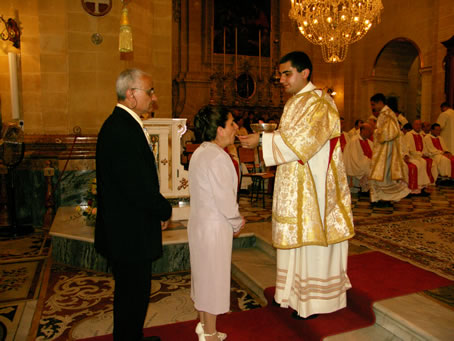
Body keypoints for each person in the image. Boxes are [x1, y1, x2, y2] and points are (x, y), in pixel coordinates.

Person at [238, 51, 354, 319]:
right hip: (296, 183)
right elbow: (289, 136)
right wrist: (269, 137)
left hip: (315, 188)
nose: (280, 79)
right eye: (280, 74)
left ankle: (315, 302)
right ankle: (293, 295)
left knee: (311, 240)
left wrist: (263, 141)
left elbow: (304, 142)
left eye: (286, 73)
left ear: (305, 73)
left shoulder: (320, 102)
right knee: (295, 240)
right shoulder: (295, 102)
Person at [95, 68, 172, 341]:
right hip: (129, 232)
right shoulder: (121, 129)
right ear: (131, 94)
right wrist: (163, 209)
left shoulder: (122, 124)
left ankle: (131, 336)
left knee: (133, 293)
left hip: (128, 228)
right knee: (132, 293)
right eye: (149, 91)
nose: (154, 97)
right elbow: (137, 186)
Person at [188, 106, 245, 341]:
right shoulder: (217, 157)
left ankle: (204, 325)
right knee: (212, 279)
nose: (235, 128)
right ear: (219, 129)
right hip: (214, 226)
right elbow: (225, 199)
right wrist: (237, 221)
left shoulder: (201, 152)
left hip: (200, 224)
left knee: (203, 277)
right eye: (231, 124)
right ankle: (209, 334)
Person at [368, 93, 411, 206]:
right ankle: (378, 198)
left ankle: (382, 198)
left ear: (380, 102)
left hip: (385, 151)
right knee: (378, 176)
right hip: (382, 150)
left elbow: (391, 132)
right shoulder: (384, 114)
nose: (373, 107)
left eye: (373, 104)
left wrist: (376, 131)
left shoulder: (387, 114)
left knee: (381, 176)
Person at [404, 119, 437, 186]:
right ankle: (419, 185)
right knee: (421, 163)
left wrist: (426, 154)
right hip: (413, 157)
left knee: (430, 162)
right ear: (413, 125)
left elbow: (424, 148)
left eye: (419, 125)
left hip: (419, 156)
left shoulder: (421, 136)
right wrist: (420, 154)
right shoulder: (409, 135)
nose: (418, 126)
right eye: (416, 124)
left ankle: (427, 184)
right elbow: (409, 149)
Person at [344, 123, 374, 194]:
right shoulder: (354, 141)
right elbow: (354, 158)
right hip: (356, 165)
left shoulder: (369, 142)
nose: (371, 133)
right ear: (363, 130)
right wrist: (367, 162)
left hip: (365, 163)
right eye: (369, 131)